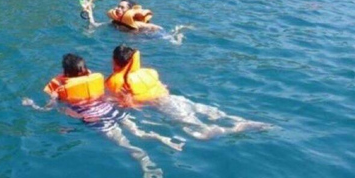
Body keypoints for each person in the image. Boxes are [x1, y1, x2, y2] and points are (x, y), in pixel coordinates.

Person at [23, 54, 183, 178]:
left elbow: (48, 108)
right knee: (139, 131)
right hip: (110, 109)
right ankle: (165, 139)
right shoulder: (93, 77)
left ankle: (146, 164)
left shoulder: (59, 89)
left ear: (65, 73)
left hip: (95, 118)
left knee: (125, 143)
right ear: (85, 70)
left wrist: (31, 105)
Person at [107, 45, 271, 140]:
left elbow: (128, 104)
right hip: (174, 98)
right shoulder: (147, 72)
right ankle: (244, 121)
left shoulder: (117, 81)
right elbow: (162, 86)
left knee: (201, 134)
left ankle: (237, 129)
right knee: (212, 113)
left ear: (115, 61)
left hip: (162, 105)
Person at [83, 0, 162, 32]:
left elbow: (157, 28)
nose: (118, 9)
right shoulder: (114, 22)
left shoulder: (136, 23)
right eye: (118, 6)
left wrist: (170, 38)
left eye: (122, 7)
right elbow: (94, 25)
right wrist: (90, 13)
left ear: (129, 11)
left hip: (144, 37)